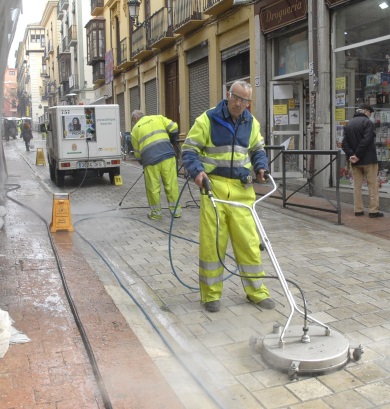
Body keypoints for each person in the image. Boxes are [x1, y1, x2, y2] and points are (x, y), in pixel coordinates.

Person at [181, 80, 275, 313]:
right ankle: (210, 295)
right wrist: (197, 173)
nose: (239, 103)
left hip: (243, 190)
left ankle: (256, 292)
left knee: (249, 243)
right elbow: (189, 150)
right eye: (236, 97)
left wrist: (261, 167)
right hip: (214, 188)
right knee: (213, 244)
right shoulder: (208, 119)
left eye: (244, 100)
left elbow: (257, 150)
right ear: (228, 94)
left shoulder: (251, 122)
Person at [131, 110, 182, 220]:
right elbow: (174, 127)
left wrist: (142, 162)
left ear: (135, 118)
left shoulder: (135, 130)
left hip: (150, 161)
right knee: (171, 184)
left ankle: (156, 214)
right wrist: (172, 139)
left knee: (153, 188)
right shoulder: (158, 117)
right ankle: (176, 211)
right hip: (167, 156)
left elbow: (137, 152)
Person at [342, 103, 383, 218]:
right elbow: (366, 140)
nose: (370, 116)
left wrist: (352, 155)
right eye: (369, 113)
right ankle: (373, 211)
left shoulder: (349, 124)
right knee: (372, 185)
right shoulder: (367, 122)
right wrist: (358, 155)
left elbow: (344, 144)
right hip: (368, 160)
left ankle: (358, 209)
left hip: (355, 162)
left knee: (357, 186)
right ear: (365, 111)